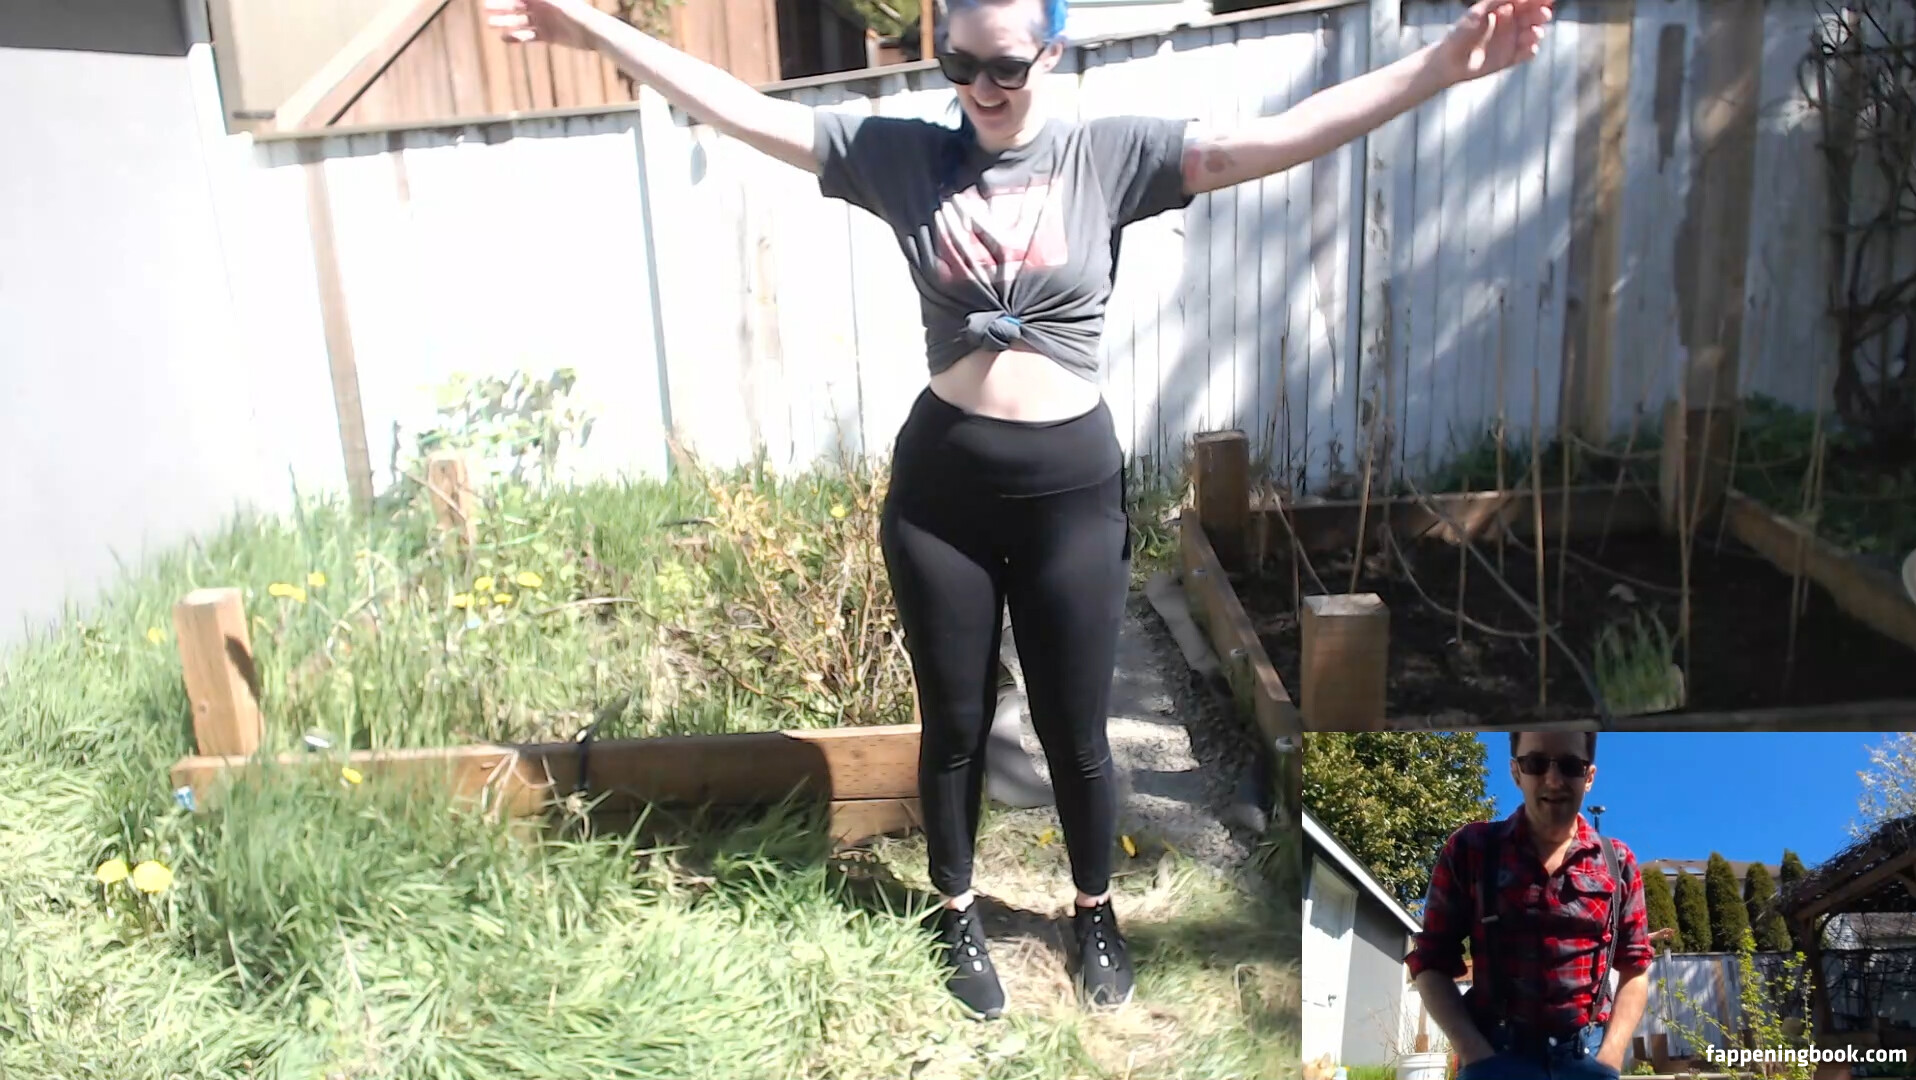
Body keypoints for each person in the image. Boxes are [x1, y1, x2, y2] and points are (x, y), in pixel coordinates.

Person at [484, 0, 1554, 1020]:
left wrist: (1442, 65)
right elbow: (739, 108)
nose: (983, 87)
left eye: (1005, 64)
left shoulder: (1107, 157)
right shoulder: (904, 158)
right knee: (954, 724)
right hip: (940, 496)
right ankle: (956, 914)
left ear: (1051, 52)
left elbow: (1272, 139)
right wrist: (591, 24)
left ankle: (1094, 912)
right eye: (960, 64)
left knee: (1074, 730)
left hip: (1069, 496)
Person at [1407, 733, 1654, 1079]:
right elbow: (1430, 962)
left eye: (1570, 765)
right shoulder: (1471, 850)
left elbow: (1636, 969)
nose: (1553, 780)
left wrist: (1610, 1058)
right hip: (1493, 1056)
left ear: (1589, 777)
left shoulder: (1618, 861)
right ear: (1516, 772)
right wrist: (1475, 1054)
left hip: (1588, 1058)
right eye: (1536, 763)